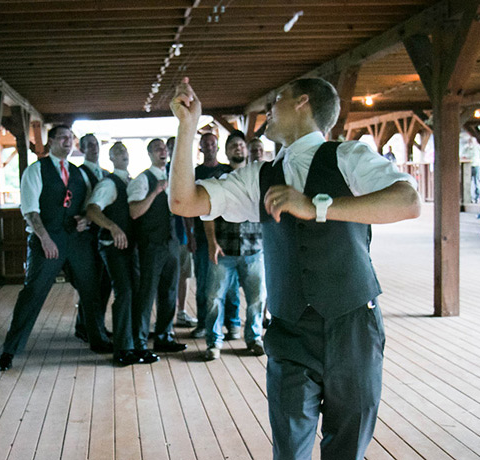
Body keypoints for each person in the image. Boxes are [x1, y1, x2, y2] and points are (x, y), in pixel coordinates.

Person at [169, 77, 420, 460]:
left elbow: (408, 201)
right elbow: (184, 201)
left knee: (347, 448)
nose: (270, 106)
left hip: (353, 324)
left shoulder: (348, 156)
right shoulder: (259, 176)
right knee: (289, 451)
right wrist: (186, 129)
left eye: (277, 98)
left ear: (303, 102)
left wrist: (318, 207)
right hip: (290, 330)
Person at [0, 125, 111, 372]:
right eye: (62, 138)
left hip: (77, 242)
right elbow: (30, 209)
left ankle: (98, 339)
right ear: (50, 142)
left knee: (91, 289)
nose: (68, 142)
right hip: (46, 241)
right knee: (33, 292)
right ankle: (10, 349)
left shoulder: (79, 174)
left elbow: (89, 205)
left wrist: (86, 220)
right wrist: (44, 238)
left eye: (70, 138)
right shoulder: (36, 171)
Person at [85, 142, 156, 366]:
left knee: (135, 291)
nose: (123, 154)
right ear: (110, 158)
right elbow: (92, 209)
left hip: (131, 247)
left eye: (125, 151)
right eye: (117, 152)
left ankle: (135, 344)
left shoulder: (133, 182)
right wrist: (112, 227)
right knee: (124, 292)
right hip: (111, 246)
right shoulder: (108, 184)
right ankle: (122, 349)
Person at [203, 131, 266, 360]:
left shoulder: (259, 175)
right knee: (214, 298)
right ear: (226, 151)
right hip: (225, 248)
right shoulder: (218, 177)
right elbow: (207, 212)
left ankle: (254, 338)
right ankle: (214, 343)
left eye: (241, 145)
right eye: (233, 146)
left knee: (257, 298)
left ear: (247, 150)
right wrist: (211, 242)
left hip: (255, 247)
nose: (238, 148)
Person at [127, 138, 186, 354]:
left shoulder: (172, 177)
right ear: (149, 154)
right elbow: (134, 211)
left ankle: (164, 336)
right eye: (156, 149)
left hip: (171, 243)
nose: (162, 151)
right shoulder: (143, 180)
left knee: (169, 291)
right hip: (150, 245)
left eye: (164, 148)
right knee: (147, 293)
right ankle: (140, 342)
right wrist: (155, 192)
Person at [192, 133, 241, 340]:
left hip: (227, 236)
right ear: (201, 149)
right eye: (206, 144)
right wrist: (190, 235)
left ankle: (233, 323)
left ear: (217, 147)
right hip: (202, 237)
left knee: (231, 285)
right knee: (204, 283)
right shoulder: (195, 173)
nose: (210, 147)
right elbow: (188, 209)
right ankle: (204, 323)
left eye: (212, 143)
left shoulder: (229, 171)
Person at [75, 133, 112, 343]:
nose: (94, 148)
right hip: (86, 235)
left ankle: (94, 325)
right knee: (90, 284)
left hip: (103, 233)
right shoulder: (78, 174)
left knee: (104, 283)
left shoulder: (106, 174)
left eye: (96, 144)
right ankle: (87, 327)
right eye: (89, 145)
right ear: (81, 149)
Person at [167, 136, 198, 328]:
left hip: (183, 233)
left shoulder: (188, 170)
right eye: (169, 147)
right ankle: (167, 316)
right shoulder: (162, 170)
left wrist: (191, 235)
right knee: (167, 277)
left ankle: (181, 312)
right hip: (165, 234)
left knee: (184, 275)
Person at [462, 137, 480, 203]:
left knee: (476, 182)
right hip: (467, 167)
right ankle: (469, 197)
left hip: (476, 166)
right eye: (469, 141)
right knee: (467, 183)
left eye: (472, 141)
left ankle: (477, 197)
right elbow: (461, 155)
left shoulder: (478, 148)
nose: (470, 143)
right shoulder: (466, 148)